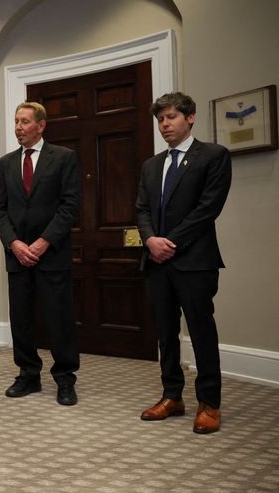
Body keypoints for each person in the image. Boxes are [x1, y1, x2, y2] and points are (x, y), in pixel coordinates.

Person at [135, 92, 231, 434]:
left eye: (171, 117)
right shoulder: (151, 165)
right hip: (156, 261)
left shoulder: (214, 156)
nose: (165, 125)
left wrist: (169, 242)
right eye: (160, 119)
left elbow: (208, 208)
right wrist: (150, 240)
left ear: (190, 118)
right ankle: (172, 396)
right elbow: (142, 209)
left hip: (194, 261)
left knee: (202, 331)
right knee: (166, 333)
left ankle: (209, 403)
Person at [0, 101, 81, 406]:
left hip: (51, 254)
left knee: (59, 318)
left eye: (25, 122)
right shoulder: (4, 164)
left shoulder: (64, 158)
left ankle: (65, 379)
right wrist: (14, 244)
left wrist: (43, 242)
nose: (19, 127)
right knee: (21, 319)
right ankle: (28, 374)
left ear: (41, 125)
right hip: (17, 256)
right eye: (16, 121)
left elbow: (70, 207)